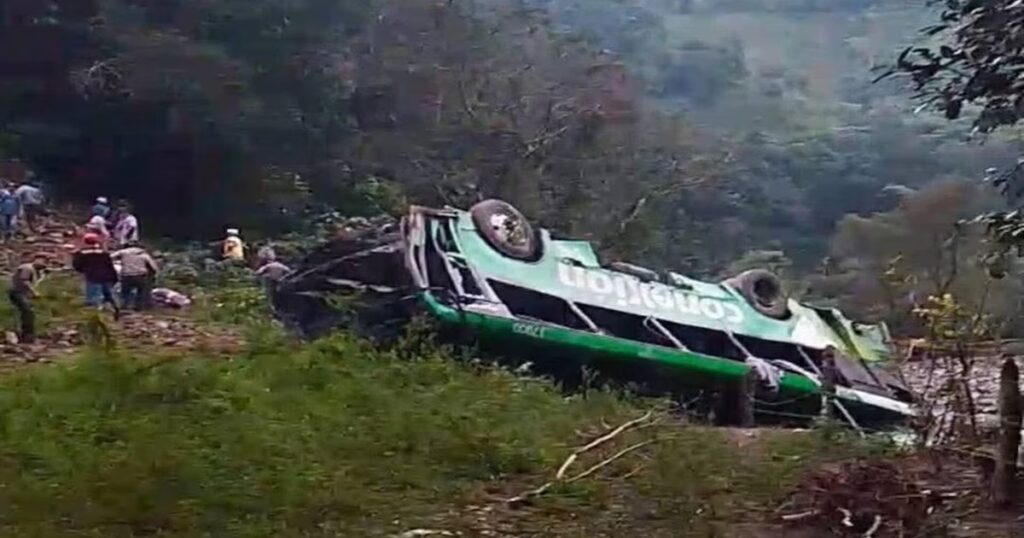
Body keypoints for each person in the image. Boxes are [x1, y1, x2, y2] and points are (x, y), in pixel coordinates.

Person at [72, 233, 120, 319]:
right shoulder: (104, 252)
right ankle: (116, 310)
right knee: (111, 295)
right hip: (107, 276)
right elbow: (110, 265)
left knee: (94, 297)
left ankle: (97, 316)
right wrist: (114, 277)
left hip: (93, 277)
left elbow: (77, 266)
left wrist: (84, 270)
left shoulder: (81, 253)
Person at [8, 255, 46, 343]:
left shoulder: (37, 272)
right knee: (27, 311)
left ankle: (27, 333)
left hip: (23, 293)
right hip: (17, 291)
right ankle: (27, 334)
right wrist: (34, 292)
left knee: (28, 312)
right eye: (42, 261)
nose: (44, 263)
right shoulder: (27, 268)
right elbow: (25, 281)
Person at [112, 241, 158, 310]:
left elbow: (110, 257)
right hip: (140, 275)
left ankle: (125, 306)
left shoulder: (123, 252)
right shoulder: (143, 254)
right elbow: (153, 266)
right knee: (141, 292)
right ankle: (139, 307)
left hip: (126, 274)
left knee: (125, 292)